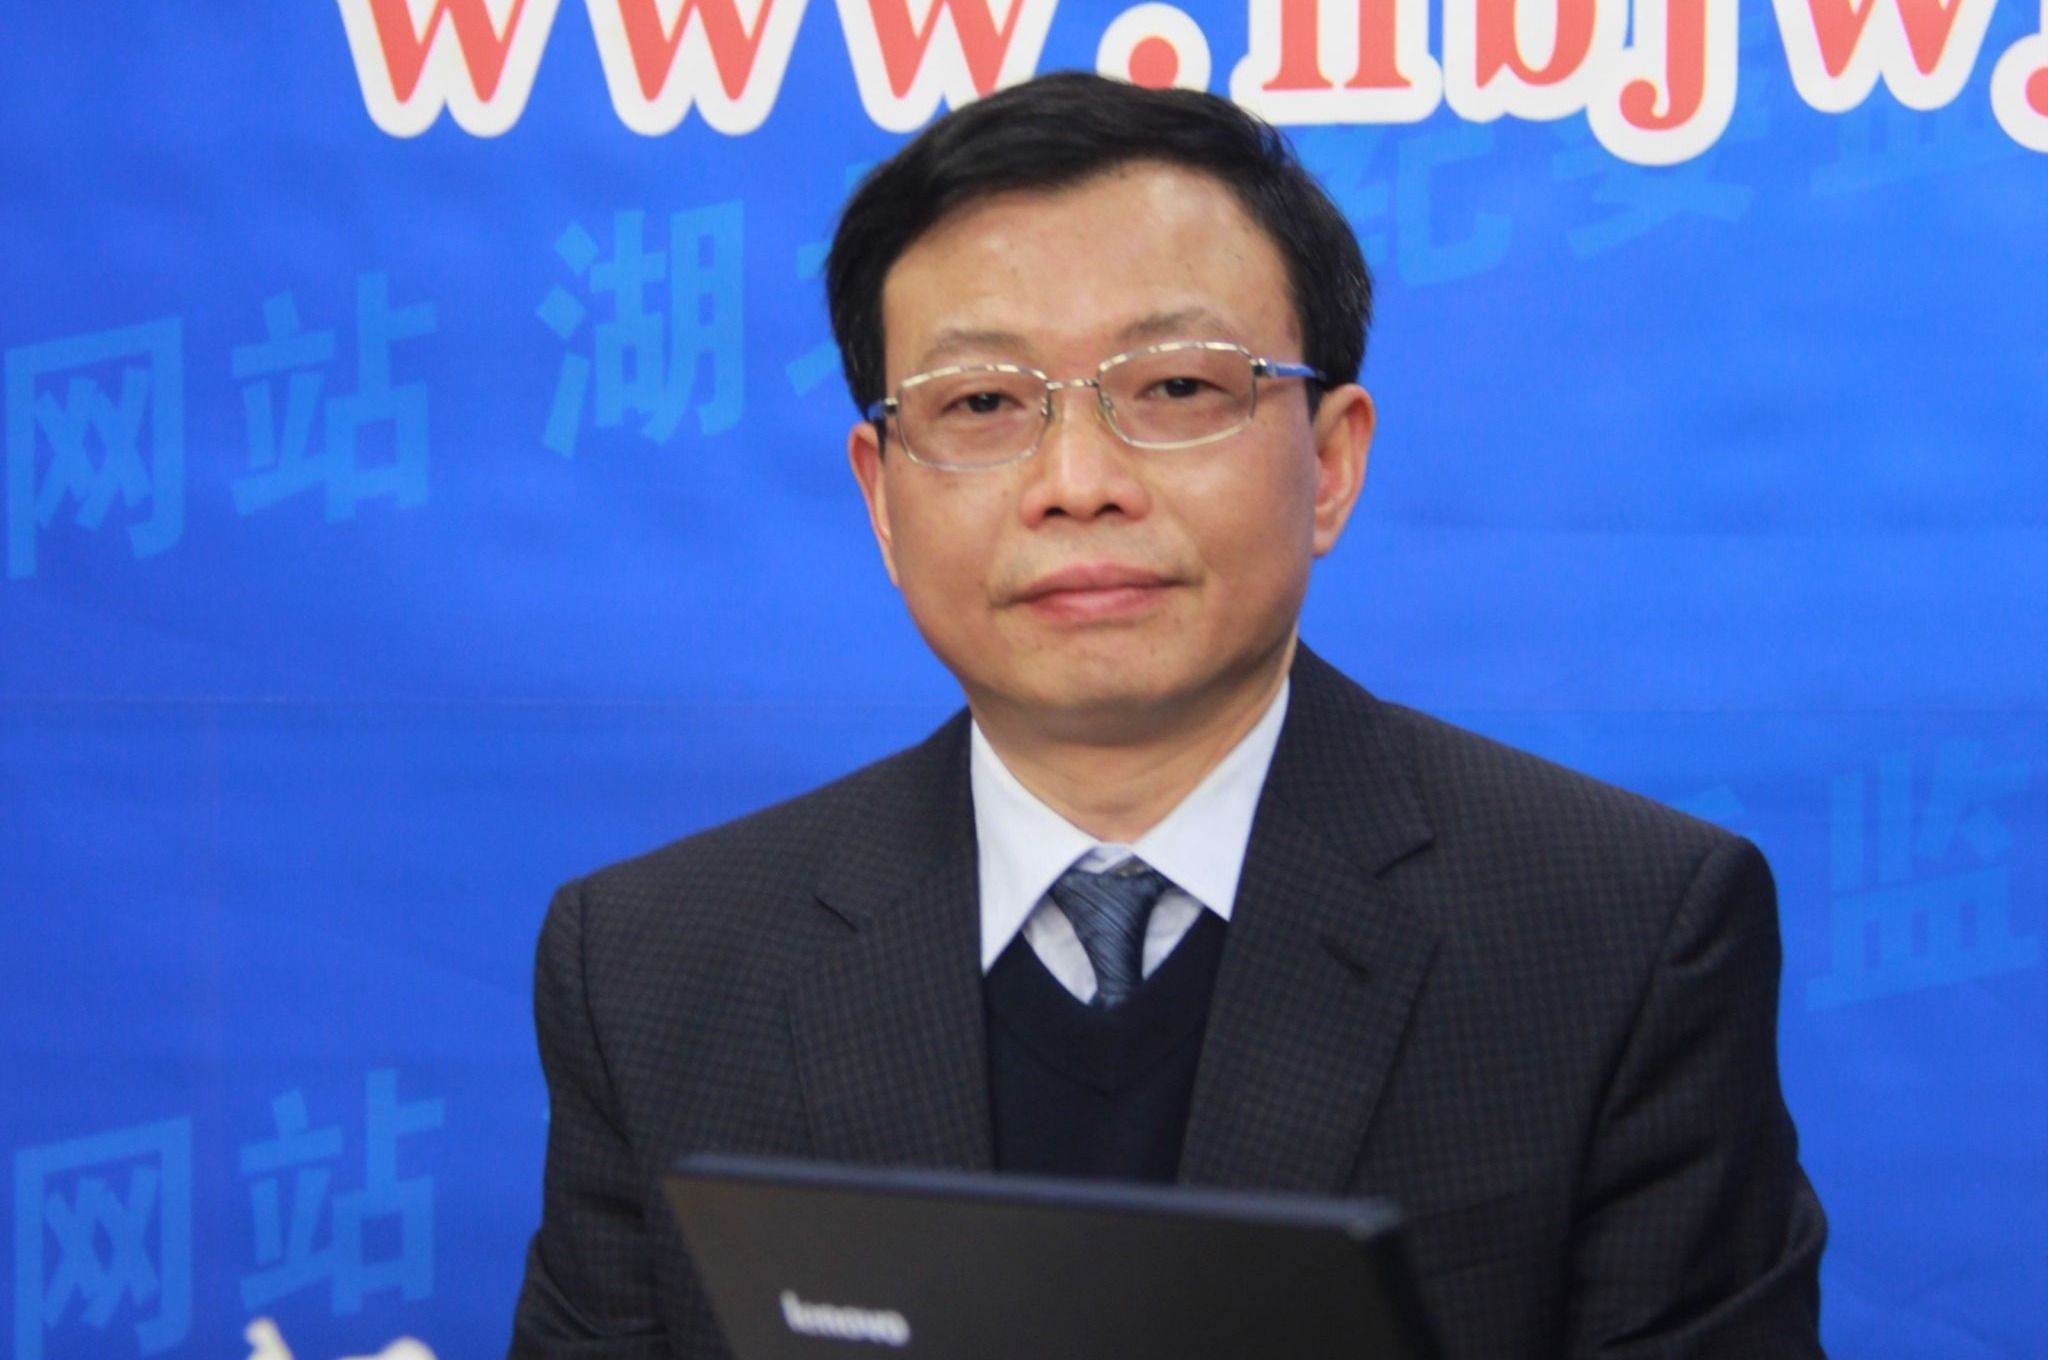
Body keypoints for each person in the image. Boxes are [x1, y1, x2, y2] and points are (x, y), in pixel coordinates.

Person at [509, 72, 1826, 1359]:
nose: (1077, 482)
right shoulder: (651, 970)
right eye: (983, 404)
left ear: (1331, 460)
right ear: (882, 497)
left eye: (1178, 388)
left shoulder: (1617, 934)